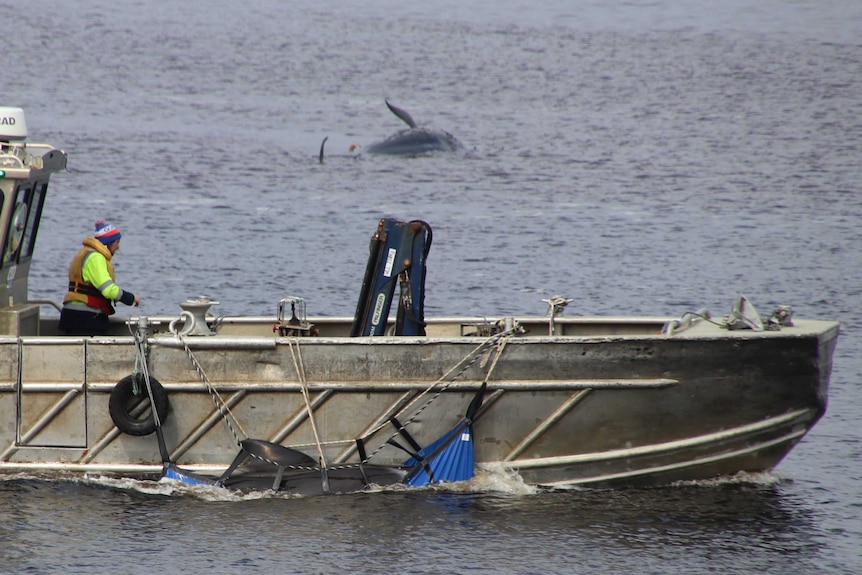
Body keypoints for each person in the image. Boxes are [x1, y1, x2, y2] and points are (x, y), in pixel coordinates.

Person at [58, 219, 141, 336]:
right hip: (86, 319)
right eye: (117, 242)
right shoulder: (96, 258)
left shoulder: (85, 253)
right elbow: (108, 289)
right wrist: (131, 298)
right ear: (108, 243)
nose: (118, 247)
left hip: (75, 316)